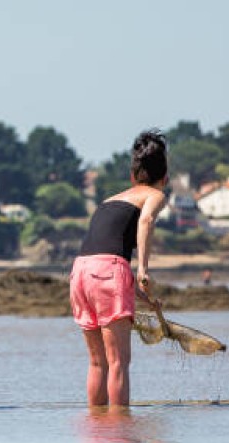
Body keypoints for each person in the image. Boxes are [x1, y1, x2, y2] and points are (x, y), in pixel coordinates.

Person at [70, 130, 169, 408]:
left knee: (97, 362)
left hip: (79, 272)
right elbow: (146, 221)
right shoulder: (154, 195)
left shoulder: (109, 201)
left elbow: (104, 257)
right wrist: (144, 269)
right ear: (165, 178)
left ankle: (97, 431)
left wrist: (145, 298)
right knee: (118, 362)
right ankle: (119, 435)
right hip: (110, 270)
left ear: (132, 176)